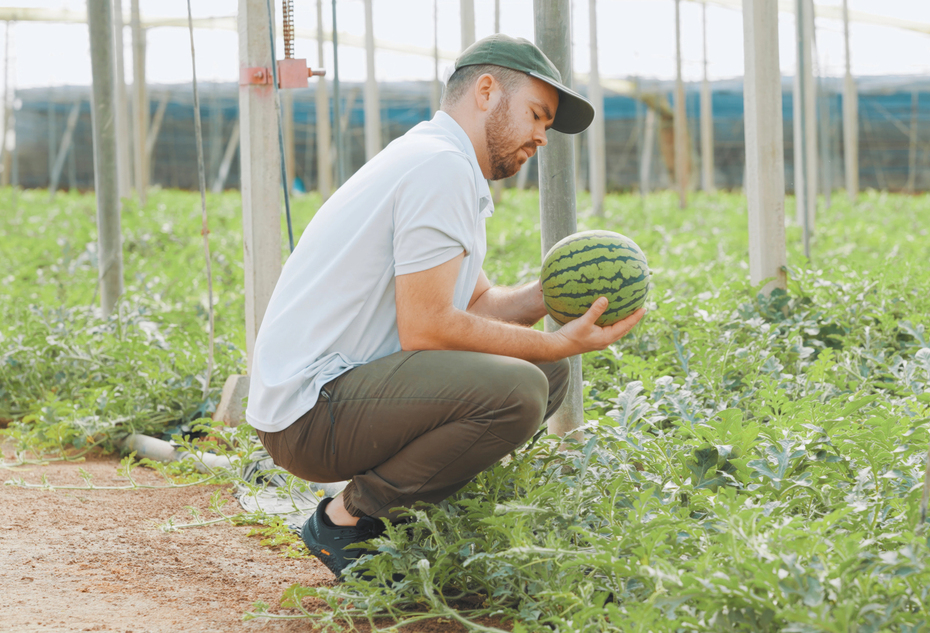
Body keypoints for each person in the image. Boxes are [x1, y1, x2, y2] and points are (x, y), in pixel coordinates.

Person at [245, 34, 645, 579]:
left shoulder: (440, 159)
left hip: (335, 396)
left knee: (543, 372)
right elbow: (427, 327)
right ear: (486, 91)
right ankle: (348, 519)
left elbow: (475, 303)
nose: (541, 137)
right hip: (311, 412)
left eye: (546, 126)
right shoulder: (440, 167)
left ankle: (405, 505)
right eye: (536, 115)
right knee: (521, 387)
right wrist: (555, 340)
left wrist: (548, 298)